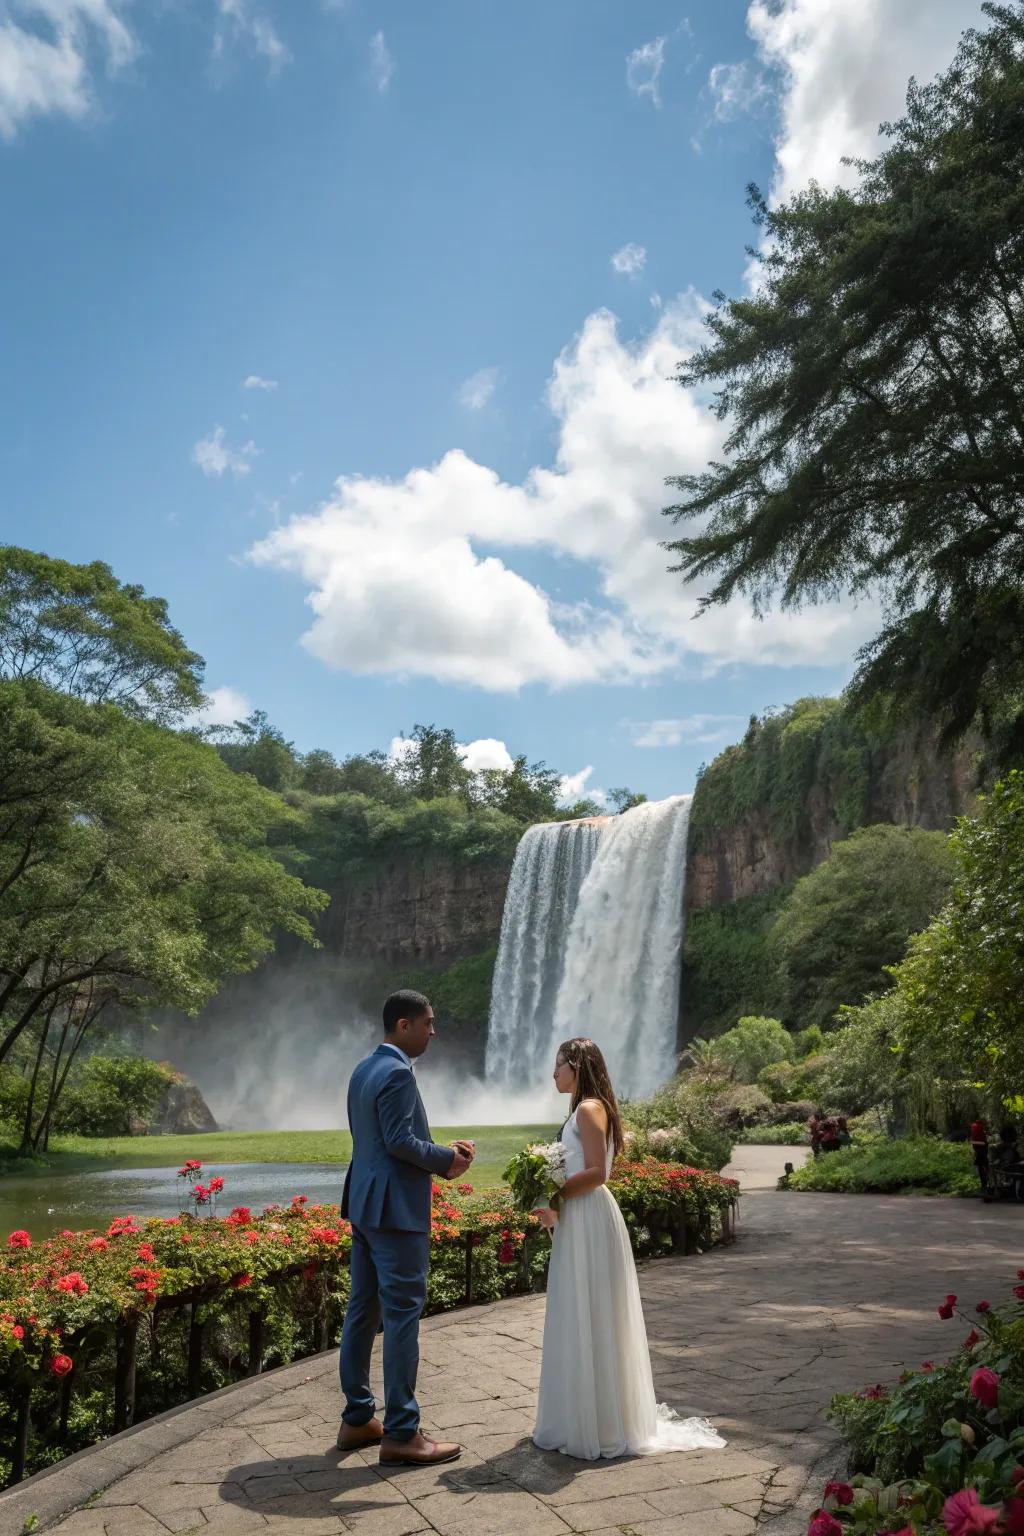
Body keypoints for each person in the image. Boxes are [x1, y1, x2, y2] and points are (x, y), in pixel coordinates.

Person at [532, 1036, 725, 1461]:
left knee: (591, 1311)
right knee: (588, 1312)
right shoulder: (592, 1107)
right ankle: (595, 1416)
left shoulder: (587, 1108)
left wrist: (555, 1194)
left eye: (559, 1064)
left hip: (587, 1213)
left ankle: (598, 1423)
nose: (553, 1073)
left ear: (577, 1066)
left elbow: (598, 1172)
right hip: (581, 1216)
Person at [338, 990, 476, 1466]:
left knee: (363, 1310)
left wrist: (438, 1152)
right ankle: (401, 1432)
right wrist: (447, 1160)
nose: (433, 1031)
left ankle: (358, 1419)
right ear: (403, 1025)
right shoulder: (397, 1072)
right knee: (401, 1315)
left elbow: (373, 1140)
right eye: (428, 1023)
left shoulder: (363, 1069)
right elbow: (398, 1141)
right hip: (395, 1212)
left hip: (364, 1206)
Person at [970, 1117, 991, 1195]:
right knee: (984, 1167)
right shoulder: (979, 1128)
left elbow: (974, 1141)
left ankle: (985, 1186)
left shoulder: (976, 1127)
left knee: (982, 1168)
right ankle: (986, 1185)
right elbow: (983, 1142)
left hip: (979, 1151)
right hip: (982, 1151)